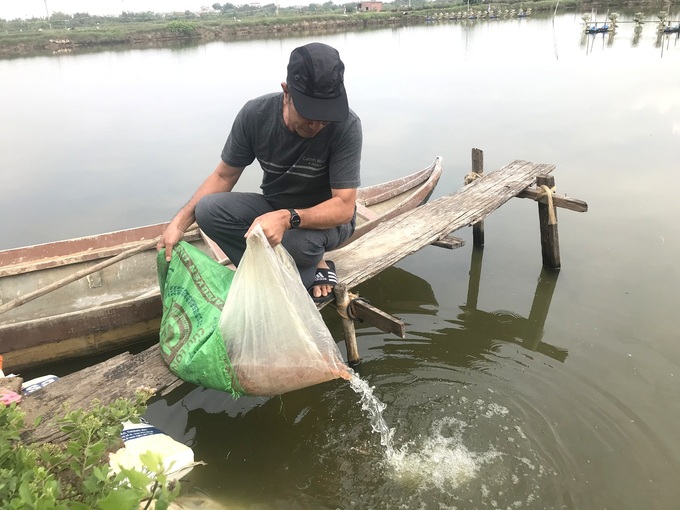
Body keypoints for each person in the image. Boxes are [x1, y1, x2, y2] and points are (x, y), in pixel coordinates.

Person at [157, 42, 362, 303]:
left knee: (296, 245)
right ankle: (283, 270)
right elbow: (224, 176)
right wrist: (179, 223)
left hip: (328, 220)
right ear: (286, 92)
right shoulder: (255, 115)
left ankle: (315, 262)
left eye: (325, 116)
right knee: (208, 210)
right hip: (275, 205)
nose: (317, 125)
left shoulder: (347, 126)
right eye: (309, 113)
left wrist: (288, 219)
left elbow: (344, 207)